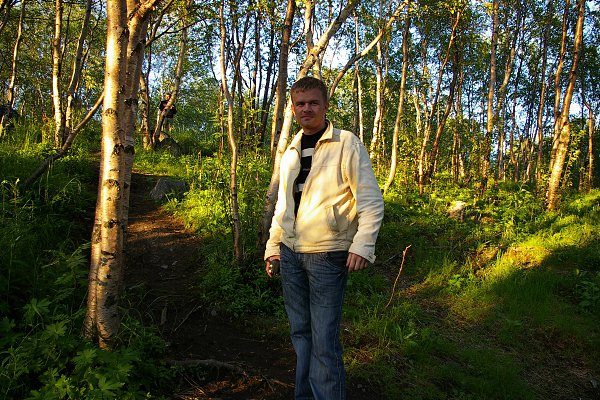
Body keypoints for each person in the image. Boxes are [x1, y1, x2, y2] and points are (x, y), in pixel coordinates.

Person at [264, 76, 384, 400]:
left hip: (327, 255)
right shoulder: (290, 151)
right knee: (301, 334)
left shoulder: (346, 143)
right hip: (290, 253)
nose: (307, 109)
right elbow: (283, 206)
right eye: (300, 104)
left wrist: (362, 245)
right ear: (293, 108)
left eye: (313, 103)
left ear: (325, 105)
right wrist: (273, 247)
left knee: (323, 341)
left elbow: (371, 201)